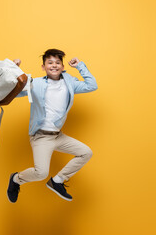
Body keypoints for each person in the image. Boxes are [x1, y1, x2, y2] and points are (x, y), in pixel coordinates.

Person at [7, 48, 98, 203]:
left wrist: (80, 66)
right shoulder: (35, 83)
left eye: (57, 62)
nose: (54, 65)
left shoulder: (70, 83)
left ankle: (57, 181)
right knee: (41, 173)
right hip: (41, 136)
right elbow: (13, 91)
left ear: (62, 66)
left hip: (58, 135)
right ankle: (16, 179)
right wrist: (13, 69)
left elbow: (91, 85)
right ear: (43, 67)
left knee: (86, 153)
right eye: (50, 62)